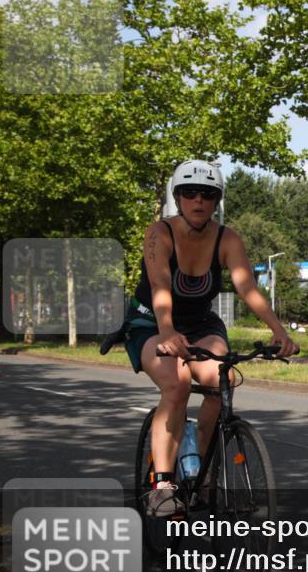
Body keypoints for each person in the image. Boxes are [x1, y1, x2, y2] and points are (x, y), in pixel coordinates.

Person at [125, 160, 297, 517]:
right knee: (177, 383)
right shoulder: (159, 233)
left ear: (217, 200)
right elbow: (159, 285)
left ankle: (200, 469)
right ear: (178, 197)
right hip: (151, 322)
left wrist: (278, 330)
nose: (198, 201)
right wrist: (168, 331)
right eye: (190, 193)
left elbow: (248, 288)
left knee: (223, 379)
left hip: (202, 324)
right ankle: (161, 485)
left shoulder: (226, 238)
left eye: (208, 194)